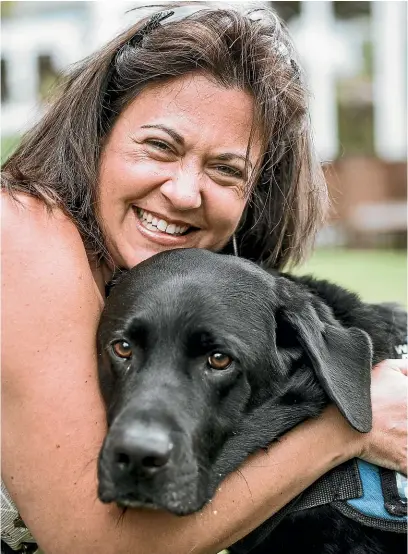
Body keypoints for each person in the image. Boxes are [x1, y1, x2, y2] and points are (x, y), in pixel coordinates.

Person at [2, 3, 407, 553]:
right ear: (97, 136)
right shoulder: (21, 233)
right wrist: (348, 430)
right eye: (160, 147)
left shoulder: (201, 293)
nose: (185, 192)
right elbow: (91, 544)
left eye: (226, 170)